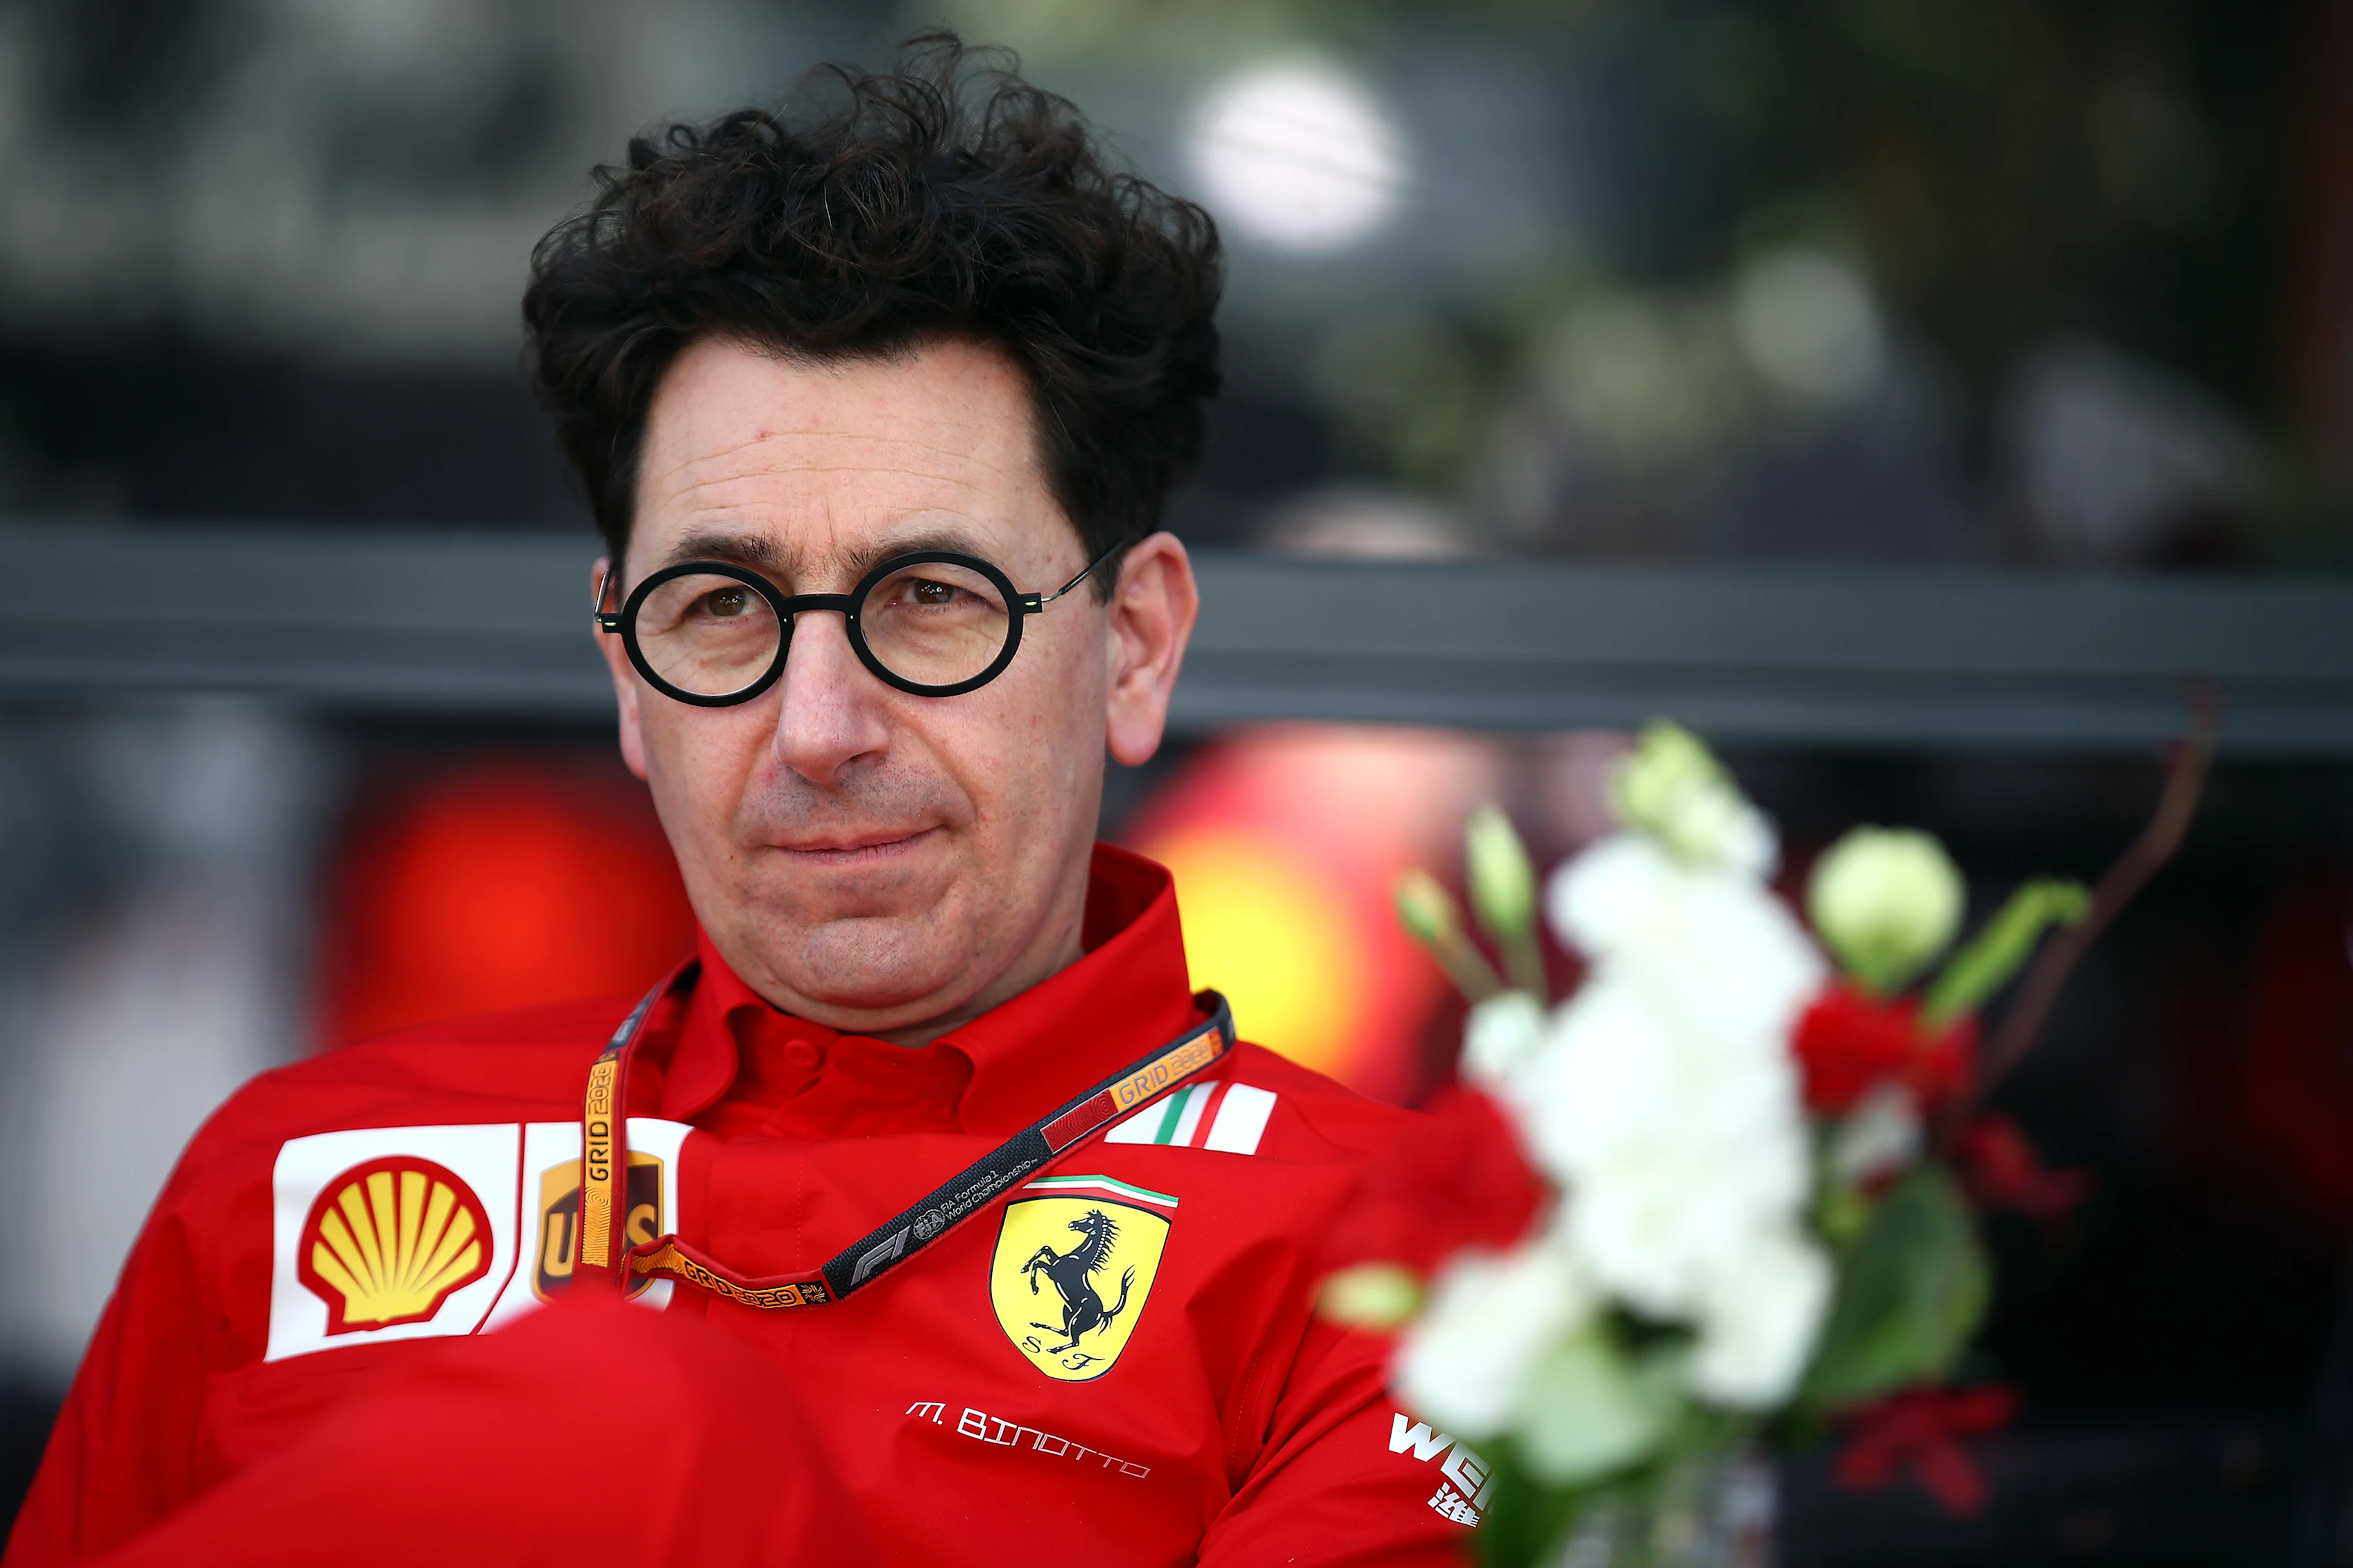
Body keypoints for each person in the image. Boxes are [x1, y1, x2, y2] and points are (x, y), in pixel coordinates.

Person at [6, 35, 1476, 1565]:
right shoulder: (292, 1163)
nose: (818, 727)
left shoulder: (1392, 1272)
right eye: (720, 605)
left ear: (1133, 645)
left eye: (930, 597)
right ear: (626, 672)